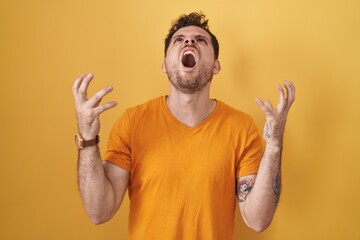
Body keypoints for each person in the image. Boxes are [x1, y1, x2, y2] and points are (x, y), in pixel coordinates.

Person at [72, 12, 295, 240]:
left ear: (216, 66)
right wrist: (88, 138)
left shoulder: (241, 127)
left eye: (200, 40)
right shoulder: (132, 123)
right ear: (164, 65)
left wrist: (275, 145)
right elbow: (99, 211)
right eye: (179, 40)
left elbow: (257, 220)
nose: (189, 41)